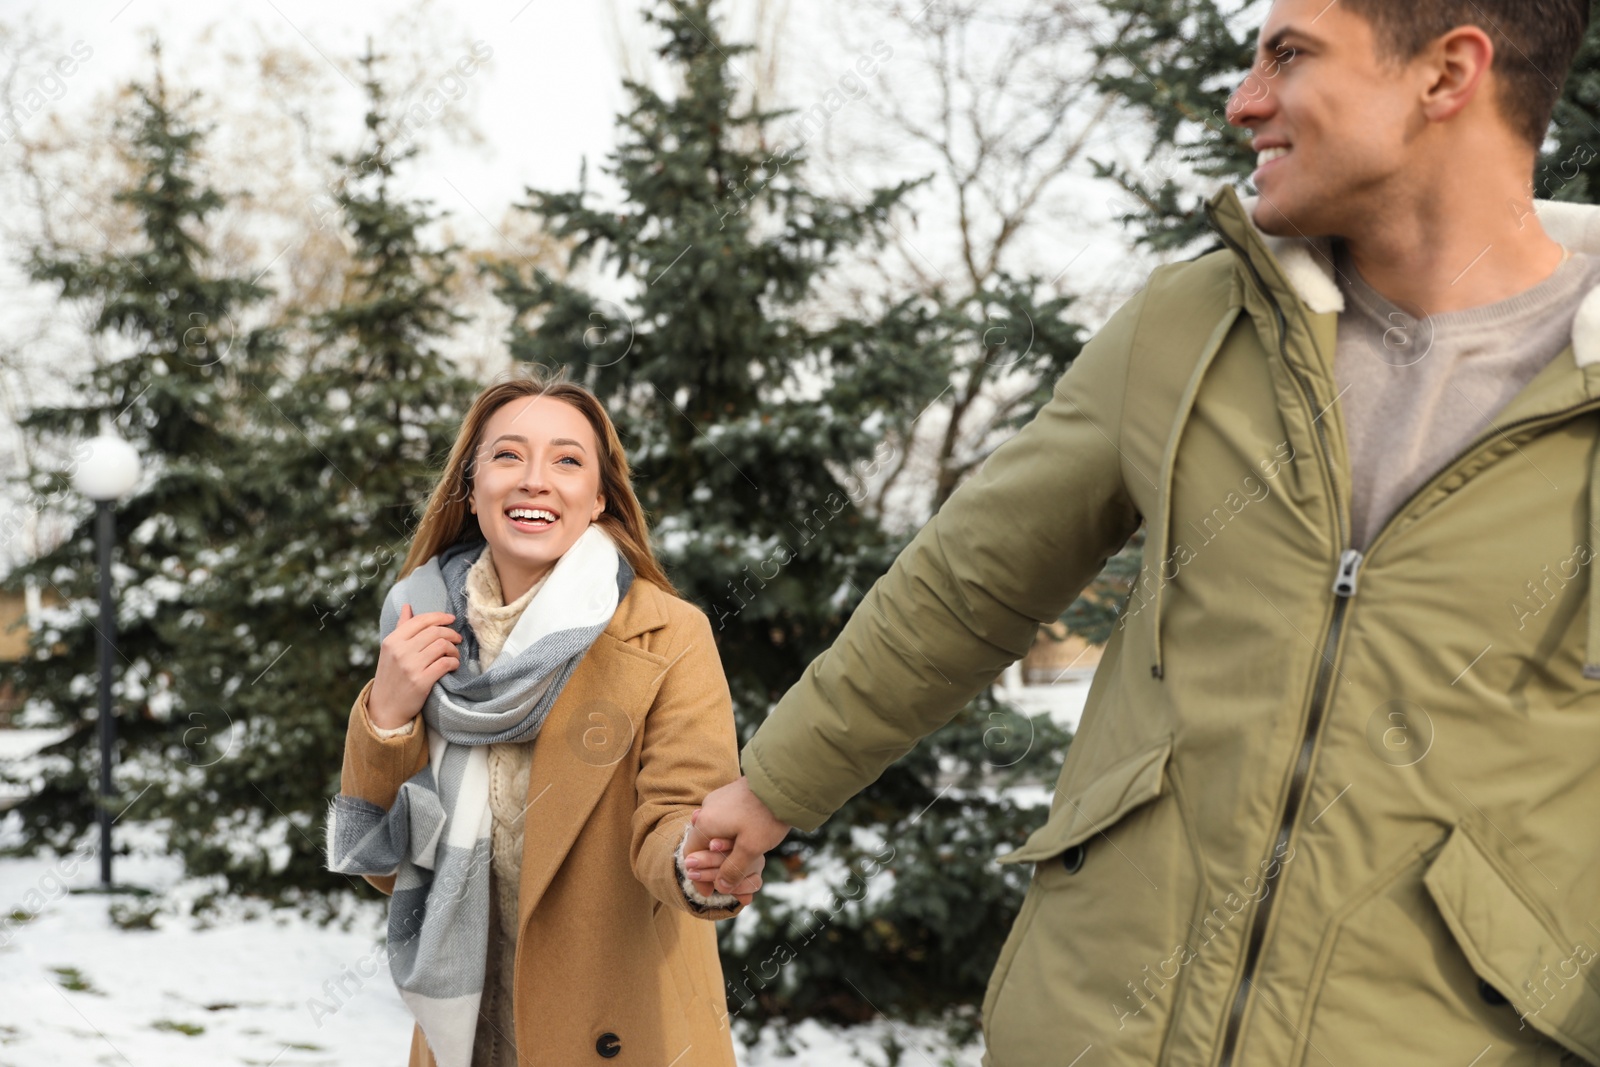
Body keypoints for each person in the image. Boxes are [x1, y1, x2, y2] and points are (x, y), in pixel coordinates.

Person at [687, 1, 1600, 1063]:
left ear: (1447, 75)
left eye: (1289, 56)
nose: (1242, 99)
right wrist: (769, 789)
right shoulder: (1190, 323)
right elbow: (968, 581)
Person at [327, 369, 761, 1067]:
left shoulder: (667, 634)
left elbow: (677, 814)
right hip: (466, 1037)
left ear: (598, 499)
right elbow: (385, 865)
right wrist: (387, 713)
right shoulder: (422, 627)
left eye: (567, 460)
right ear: (471, 490)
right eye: (507, 455)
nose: (535, 479)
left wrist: (696, 862)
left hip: (617, 1031)